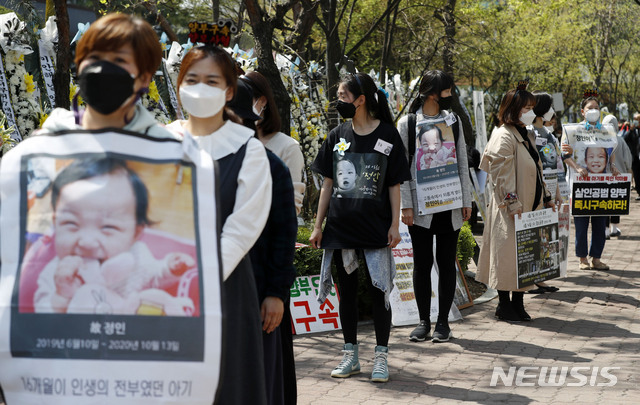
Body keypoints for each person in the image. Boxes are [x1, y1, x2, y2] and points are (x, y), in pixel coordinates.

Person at [167, 45, 271, 404]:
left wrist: (199, 281)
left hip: (223, 288)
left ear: (229, 90)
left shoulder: (248, 149)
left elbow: (243, 228)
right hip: (163, 283)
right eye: (191, 79)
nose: (199, 88)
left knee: (226, 387)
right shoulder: (161, 142)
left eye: (211, 81)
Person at [310, 72, 410, 383]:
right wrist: (317, 226)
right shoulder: (336, 135)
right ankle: (350, 354)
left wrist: (394, 225)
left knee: (381, 292)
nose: (338, 102)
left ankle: (381, 356)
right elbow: (327, 185)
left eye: (343, 96)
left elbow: (394, 185)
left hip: (376, 228)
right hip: (341, 229)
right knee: (347, 295)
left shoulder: (389, 135)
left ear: (361, 100)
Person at [33, 158, 196, 315]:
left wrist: (169, 269)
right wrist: (62, 297)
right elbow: (42, 317)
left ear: (136, 233)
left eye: (107, 227)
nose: (87, 242)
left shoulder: (138, 255)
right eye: (71, 223)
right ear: (55, 223)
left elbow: (154, 278)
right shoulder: (55, 274)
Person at [228, 77, 298, 405]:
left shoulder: (273, 167)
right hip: (214, 296)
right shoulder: (199, 162)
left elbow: (284, 237)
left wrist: (276, 293)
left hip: (258, 295)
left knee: (260, 381)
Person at [396, 70, 472, 342]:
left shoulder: (454, 122)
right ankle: (423, 321)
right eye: (447, 90)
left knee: (446, 261)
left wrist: (467, 199)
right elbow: (401, 167)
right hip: (420, 206)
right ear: (432, 93)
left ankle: (443, 323)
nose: (451, 95)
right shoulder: (408, 123)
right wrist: (406, 205)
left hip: (450, 202)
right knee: (422, 262)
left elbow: (462, 161)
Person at [475, 84, 555, 322]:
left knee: (526, 257)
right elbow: (501, 177)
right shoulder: (503, 135)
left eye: (532, 107)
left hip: (531, 206)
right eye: (527, 107)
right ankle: (504, 304)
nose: (531, 112)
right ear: (514, 109)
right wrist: (513, 204)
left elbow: (538, 170)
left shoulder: (525, 133)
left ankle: (517, 304)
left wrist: (548, 197)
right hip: (512, 209)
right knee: (507, 256)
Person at [561, 95, 617, 271]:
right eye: (590, 107)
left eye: (597, 107)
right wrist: (577, 167)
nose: (594, 111)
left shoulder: (606, 130)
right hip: (580, 185)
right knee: (581, 224)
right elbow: (565, 155)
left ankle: (597, 258)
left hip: (601, 186)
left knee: (600, 223)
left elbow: (611, 151)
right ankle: (582, 258)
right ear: (582, 112)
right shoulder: (572, 131)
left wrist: (613, 166)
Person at [243, 71, 306, 215]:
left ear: (263, 101)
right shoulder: (229, 143)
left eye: (245, 98)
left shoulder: (287, 147)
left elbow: (291, 206)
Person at [527, 91, 561, 294]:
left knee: (545, 235)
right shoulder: (530, 132)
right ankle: (531, 278)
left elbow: (553, 165)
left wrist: (556, 191)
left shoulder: (548, 134)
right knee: (533, 234)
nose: (552, 111)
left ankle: (541, 277)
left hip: (549, 191)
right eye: (550, 107)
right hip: (535, 191)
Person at [603, 114, 631, 237]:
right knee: (615, 201)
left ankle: (605, 230)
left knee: (603, 202)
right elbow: (627, 159)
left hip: (602, 178)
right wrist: (629, 171)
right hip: (619, 177)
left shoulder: (600, 139)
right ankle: (614, 228)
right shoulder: (620, 140)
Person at [622, 113, 640, 199]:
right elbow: (624, 139)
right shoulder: (633, 131)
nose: (635, 121)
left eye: (637, 119)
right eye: (634, 119)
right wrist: (630, 130)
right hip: (636, 158)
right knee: (637, 176)